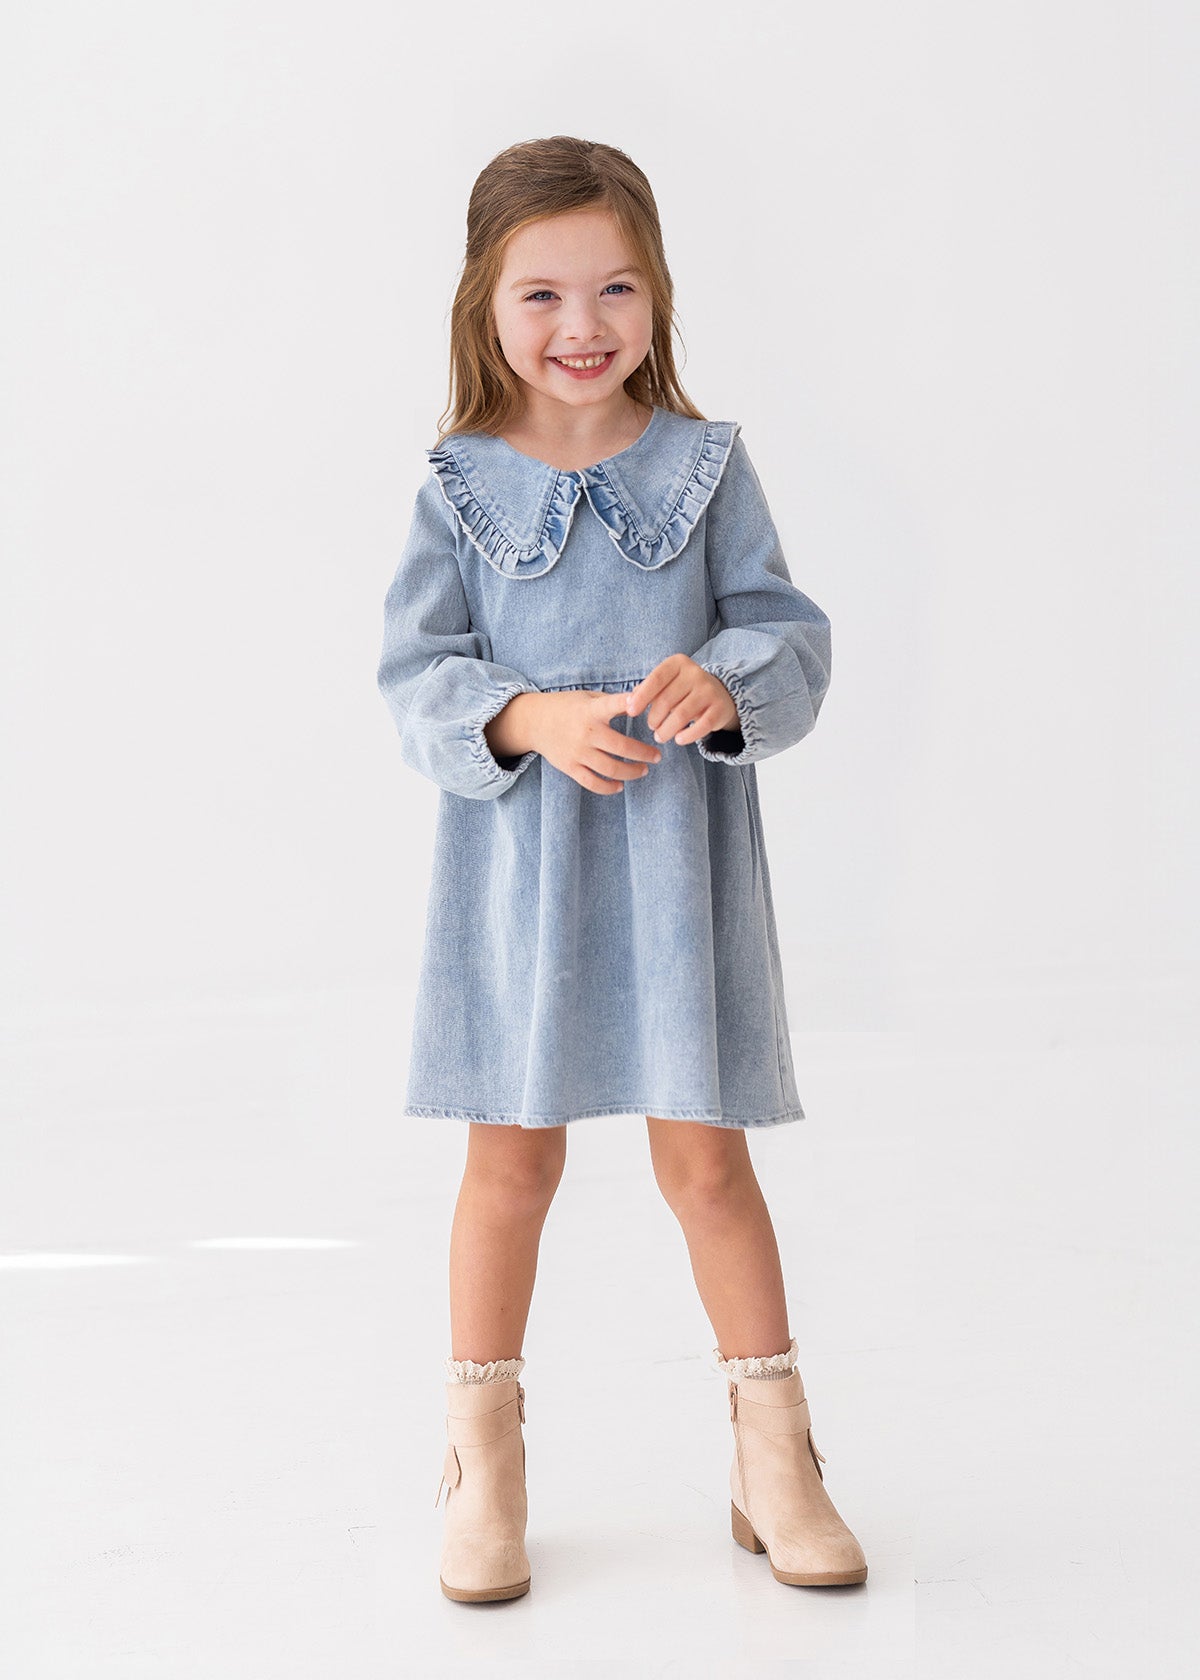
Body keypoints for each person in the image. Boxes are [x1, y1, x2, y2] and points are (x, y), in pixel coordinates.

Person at [376, 135, 868, 1603]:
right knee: (508, 1159)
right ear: (484, 305)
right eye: (541, 294)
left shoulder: (704, 468)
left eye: (614, 288)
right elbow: (417, 672)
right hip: (518, 873)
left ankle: (774, 1451)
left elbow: (786, 628)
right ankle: (483, 1458)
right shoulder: (457, 486)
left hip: (674, 867)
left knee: (704, 1158)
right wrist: (525, 714)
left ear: (658, 298)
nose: (580, 326)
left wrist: (726, 685)